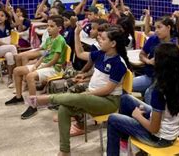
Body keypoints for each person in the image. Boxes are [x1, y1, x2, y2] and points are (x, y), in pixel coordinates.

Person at [27, 26, 130, 155]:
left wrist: (88, 93)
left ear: (113, 43)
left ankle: (47, 99)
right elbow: (80, 54)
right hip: (93, 96)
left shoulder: (118, 64)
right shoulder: (101, 54)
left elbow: (107, 89)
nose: (100, 40)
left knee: (81, 96)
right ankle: (65, 151)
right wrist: (76, 34)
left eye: (103, 39)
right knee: (64, 109)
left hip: (109, 101)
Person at [106, 43, 179, 155]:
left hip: (159, 139)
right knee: (125, 99)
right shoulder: (178, 79)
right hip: (168, 131)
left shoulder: (159, 91)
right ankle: (123, 145)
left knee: (112, 119)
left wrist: (137, 116)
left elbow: (154, 128)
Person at [133, 17, 176, 99]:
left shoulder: (174, 44)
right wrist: (148, 61)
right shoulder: (153, 39)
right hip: (149, 76)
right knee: (125, 85)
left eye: (159, 27)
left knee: (149, 94)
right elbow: (142, 54)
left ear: (168, 28)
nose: (156, 30)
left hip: (162, 80)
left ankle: (150, 111)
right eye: (155, 28)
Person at [0, 8, 18, 88]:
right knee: (12, 47)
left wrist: (12, 11)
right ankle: (18, 68)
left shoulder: (8, 26)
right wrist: (10, 45)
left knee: (9, 56)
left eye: (2, 16)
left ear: (6, 18)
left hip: (6, 49)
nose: (0, 17)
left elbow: (18, 23)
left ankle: (10, 78)